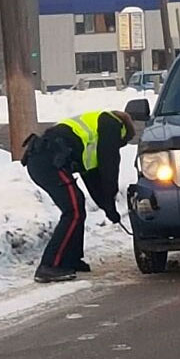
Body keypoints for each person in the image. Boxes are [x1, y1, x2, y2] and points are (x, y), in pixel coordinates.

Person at [21, 110, 135, 283]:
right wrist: (110, 204)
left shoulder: (93, 134)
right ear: (124, 130)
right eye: (122, 143)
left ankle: (71, 259)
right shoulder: (111, 124)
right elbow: (109, 167)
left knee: (77, 205)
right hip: (47, 161)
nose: (118, 146)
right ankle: (48, 266)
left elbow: (93, 180)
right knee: (73, 211)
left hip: (45, 160)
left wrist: (108, 208)